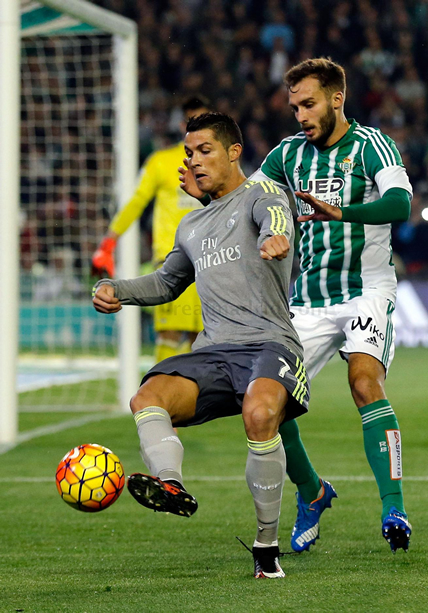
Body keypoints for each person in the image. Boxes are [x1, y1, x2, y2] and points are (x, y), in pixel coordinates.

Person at [180, 58, 413, 554]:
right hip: (305, 300)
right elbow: (246, 204)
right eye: (293, 106)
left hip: (366, 290)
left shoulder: (372, 146)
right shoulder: (287, 156)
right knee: (269, 401)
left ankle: (393, 506)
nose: (300, 115)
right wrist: (207, 198)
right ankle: (313, 492)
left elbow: (400, 205)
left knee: (365, 382)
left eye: (308, 104)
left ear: (336, 99)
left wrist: (342, 212)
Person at [92, 112, 311, 579]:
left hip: (271, 342)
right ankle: (169, 485)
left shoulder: (261, 194)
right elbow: (167, 282)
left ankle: (266, 547)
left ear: (234, 151)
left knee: (259, 414)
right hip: (214, 352)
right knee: (146, 397)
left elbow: (275, 219)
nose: (195, 160)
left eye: (206, 150)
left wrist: (277, 237)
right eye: (190, 153)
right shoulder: (191, 226)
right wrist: (118, 290)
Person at [92, 97, 210, 363]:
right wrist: (110, 240)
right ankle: (159, 394)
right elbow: (136, 202)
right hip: (173, 259)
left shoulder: (218, 165)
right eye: (195, 122)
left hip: (211, 258)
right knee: (169, 332)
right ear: (182, 125)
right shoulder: (161, 162)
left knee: (204, 337)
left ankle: (195, 399)